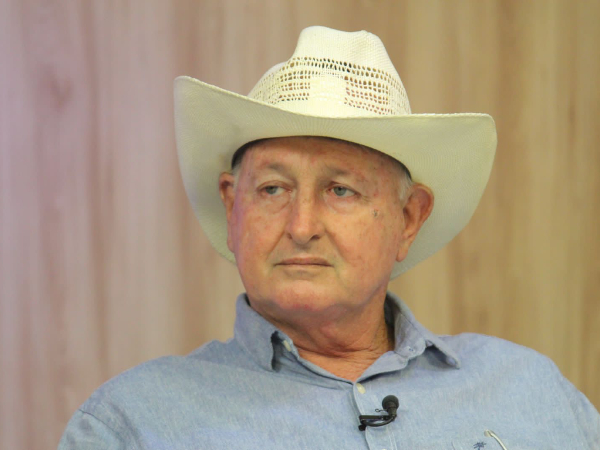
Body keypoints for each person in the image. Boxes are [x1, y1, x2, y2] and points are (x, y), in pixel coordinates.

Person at [58, 26, 599, 449]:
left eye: (341, 191)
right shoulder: (130, 425)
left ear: (409, 218)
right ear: (232, 205)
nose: (301, 226)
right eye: (272, 189)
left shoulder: (532, 389)